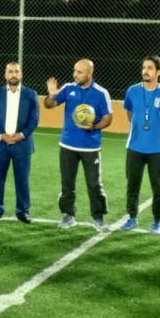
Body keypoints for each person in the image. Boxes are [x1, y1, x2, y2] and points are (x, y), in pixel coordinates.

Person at [45, 59, 113, 232]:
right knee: (67, 184)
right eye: (74, 71)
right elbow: (49, 105)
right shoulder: (68, 88)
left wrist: (94, 126)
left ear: (89, 73)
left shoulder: (101, 93)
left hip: (91, 148)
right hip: (67, 145)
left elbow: (108, 118)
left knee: (94, 184)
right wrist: (52, 94)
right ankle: (69, 215)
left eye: (79, 72)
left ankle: (98, 218)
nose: (75, 74)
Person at [119, 56, 160, 234]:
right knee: (132, 185)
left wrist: (156, 131)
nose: (145, 71)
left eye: (150, 68)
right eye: (144, 67)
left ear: (158, 72)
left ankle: (157, 222)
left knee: (157, 187)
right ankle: (132, 218)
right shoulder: (132, 91)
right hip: (134, 147)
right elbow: (129, 114)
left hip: (157, 149)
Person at [0, 62, 41, 223]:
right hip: (0, 144)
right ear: (5, 74)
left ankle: (23, 211)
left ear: (21, 74)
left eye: (16, 71)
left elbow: (34, 119)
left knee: (22, 180)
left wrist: (21, 135)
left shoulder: (31, 94)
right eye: (10, 71)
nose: (13, 74)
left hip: (22, 145)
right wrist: (1, 135)